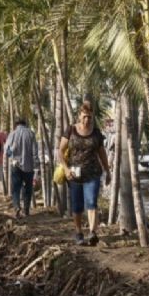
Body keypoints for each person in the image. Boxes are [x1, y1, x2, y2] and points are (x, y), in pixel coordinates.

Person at [58, 101, 111, 246]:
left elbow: (102, 154)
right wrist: (66, 169)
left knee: (92, 201)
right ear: (79, 116)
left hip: (93, 173)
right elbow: (60, 151)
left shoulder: (96, 133)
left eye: (89, 117)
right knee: (77, 206)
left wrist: (107, 171)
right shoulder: (70, 130)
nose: (86, 120)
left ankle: (93, 232)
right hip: (74, 175)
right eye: (84, 116)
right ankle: (79, 232)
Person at [5, 118, 39, 218]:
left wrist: (11, 157)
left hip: (16, 165)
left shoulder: (13, 134)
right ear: (25, 124)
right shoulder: (31, 134)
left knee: (16, 188)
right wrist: (36, 166)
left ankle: (16, 207)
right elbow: (35, 152)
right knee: (27, 188)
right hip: (29, 167)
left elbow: (7, 150)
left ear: (16, 125)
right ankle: (26, 210)